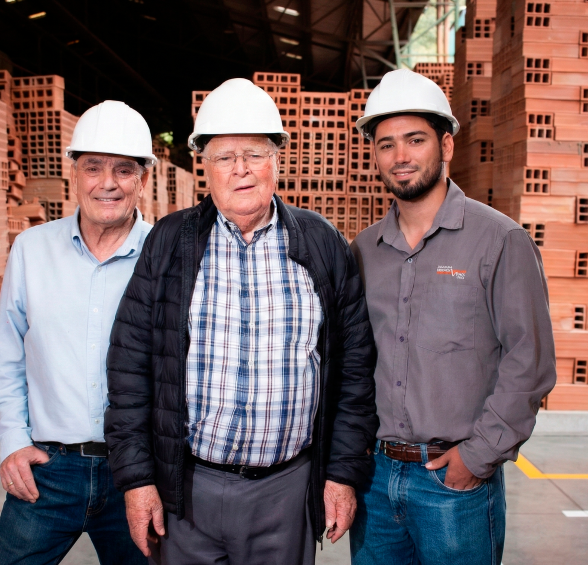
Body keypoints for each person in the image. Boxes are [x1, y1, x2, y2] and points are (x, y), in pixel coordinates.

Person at [104, 78, 378, 565]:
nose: (241, 170)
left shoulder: (322, 245)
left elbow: (354, 372)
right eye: (225, 157)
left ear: (278, 160)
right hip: (186, 490)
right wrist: (138, 481)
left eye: (254, 153)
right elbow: (129, 369)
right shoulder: (171, 242)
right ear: (204, 167)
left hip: (287, 492)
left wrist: (342, 474)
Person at [349, 69, 556, 565]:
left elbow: (530, 361)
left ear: (446, 146)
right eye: (386, 144)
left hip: (454, 483)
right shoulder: (363, 251)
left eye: (415, 140)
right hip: (375, 481)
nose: (400, 157)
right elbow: (352, 363)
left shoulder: (499, 240)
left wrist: (477, 457)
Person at [0, 101, 155, 565]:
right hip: (48, 471)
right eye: (93, 167)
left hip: (137, 475)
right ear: (74, 173)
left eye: (123, 170)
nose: (107, 183)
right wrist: (14, 441)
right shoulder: (32, 250)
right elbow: (5, 358)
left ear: (143, 178)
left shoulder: (166, 255)